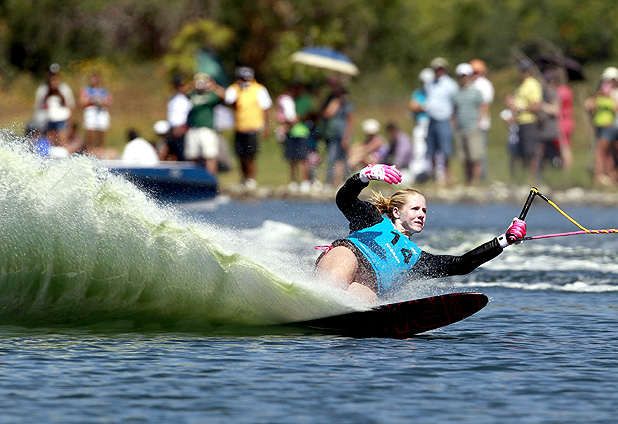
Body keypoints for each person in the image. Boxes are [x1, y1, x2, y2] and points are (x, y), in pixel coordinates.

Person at [315, 164, 527, 303]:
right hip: (348, 254)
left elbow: (462, 264)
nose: (421, 215)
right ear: (396, 212)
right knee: (336, 282)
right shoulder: (373, 219)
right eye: (415, 209)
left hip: (370, 283)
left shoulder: (417, 259)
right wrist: (363, 176)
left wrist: (504, 241)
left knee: (361, 301)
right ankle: (315, 302)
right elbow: (344, 200)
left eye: (424, 211)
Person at [225, 66, 273, 189]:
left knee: (251, 155)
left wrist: (267, 126)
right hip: (240, 127)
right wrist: (239, 90)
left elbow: (266, 108)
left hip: (254, 127)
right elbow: (229, 102)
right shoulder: (234, 89)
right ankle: (244, 179)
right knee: (240, 154)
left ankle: (251, 179)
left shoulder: (259, 89)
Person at [505, 60, 543, 179]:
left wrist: (520, 108)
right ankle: (523, 177)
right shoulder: (520, 85)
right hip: (519, 122)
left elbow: (537, 105)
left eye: (525, 70)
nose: (523, 72)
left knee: (531, 151)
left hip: (529, 121)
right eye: (521, 70)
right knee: (521, 152)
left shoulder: (533, 84)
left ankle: (533, 178)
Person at [424, 57, 459, 184]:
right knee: (432, 149)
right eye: (436, 69)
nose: (438, 71)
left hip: (444, 119)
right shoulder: (429, 84)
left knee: (445, 150)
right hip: (431, 120)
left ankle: (447, 175)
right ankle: (434, 176)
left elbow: (455, 103)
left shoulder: (450, 85)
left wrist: (453, 118)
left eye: (440, 69)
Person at [318, 75, 355, 188]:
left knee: (342, 159)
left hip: (342, 134)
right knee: (331, 158)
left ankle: (343, 181)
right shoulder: (332, 101)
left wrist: (347, 137)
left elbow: (350, 120)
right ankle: (329, 181)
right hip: (332, 135)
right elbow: (326, 113)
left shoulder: (347, 104)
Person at [185, 73, 226, 174]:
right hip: (193, 129)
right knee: (192, 156)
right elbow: (182, 92)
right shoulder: (193, 93)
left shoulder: (211, 94)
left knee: (210, 156)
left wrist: (213, 86)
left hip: (207, 129)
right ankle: (193, 180)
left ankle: (211, 181)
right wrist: (192, 85)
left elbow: (225, 96)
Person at [452, 63, 486, 185]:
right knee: (464, 157)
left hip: (473, 127)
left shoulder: (476, 92)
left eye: (465, 75)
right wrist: (454, 124)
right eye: (461, 76)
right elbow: (454, 110)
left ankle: (475, 181)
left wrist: (479, 122)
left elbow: (483, 107)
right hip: (461, 128)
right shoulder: (456, 93)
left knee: (475, 156)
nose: (463, 78)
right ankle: (467, 180)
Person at [276, 85, 311, 192]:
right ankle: (293, 182)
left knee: (302, 160)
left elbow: (295, 119)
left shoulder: (303, 101)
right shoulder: (290, 101)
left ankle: (305, 182)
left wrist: (286, 126)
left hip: (300, 133)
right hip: (291, 133)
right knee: (292, 159)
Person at [584, 74, 618, 185]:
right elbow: (588, 106)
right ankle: (602, 175)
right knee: (603, 152)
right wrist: (598, 95)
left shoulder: (613, 95)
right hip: (603, 127)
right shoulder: (599, 96)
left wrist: (609, 96)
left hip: (610, 127)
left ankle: (609, 175)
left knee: (606, 152)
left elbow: (615, 108)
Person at [33, 64, 75, 149]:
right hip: (48, 120)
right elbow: (38, 107)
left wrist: (69, 123)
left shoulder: (64, 89)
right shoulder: (43, 89)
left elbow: (70, 106)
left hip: (62, 120)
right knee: (50, 142)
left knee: (62, 141)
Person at [469, 59, 495, 180]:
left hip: (480, 124)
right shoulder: (473, 84)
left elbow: (484, 106)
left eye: (476, 72)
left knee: (480, 153)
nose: (474, 74)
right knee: (472, 153)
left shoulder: (484, 84)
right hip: (472, 124)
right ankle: (474, 177)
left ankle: (482, 178)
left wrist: (478, 123)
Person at [409, 68, 434, 182]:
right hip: (420, 123)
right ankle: (418, 173)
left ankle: (433, 173)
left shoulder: (434, 92)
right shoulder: (418, 92)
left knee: (433, 149)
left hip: (432, 123)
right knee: (419, 149)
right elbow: (413, 106)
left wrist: (423, 107)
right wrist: (424, 107)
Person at [79, 72, 113, 155]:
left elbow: (109, 102)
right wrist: (92, 99)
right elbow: (82, 102)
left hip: (101, 111)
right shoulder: (87, 90)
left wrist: (101, 101)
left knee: (102, 131)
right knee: (90, 131)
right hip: (91, 110)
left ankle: (100, 151)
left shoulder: (104, 91)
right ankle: (90, 150)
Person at [165, 75, 192, 161]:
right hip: (172, 129)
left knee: (182, 154)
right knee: (171, 154)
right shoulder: (173, 98)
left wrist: (182, 128)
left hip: (181, 130)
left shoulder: (188, 99)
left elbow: (189, 115)